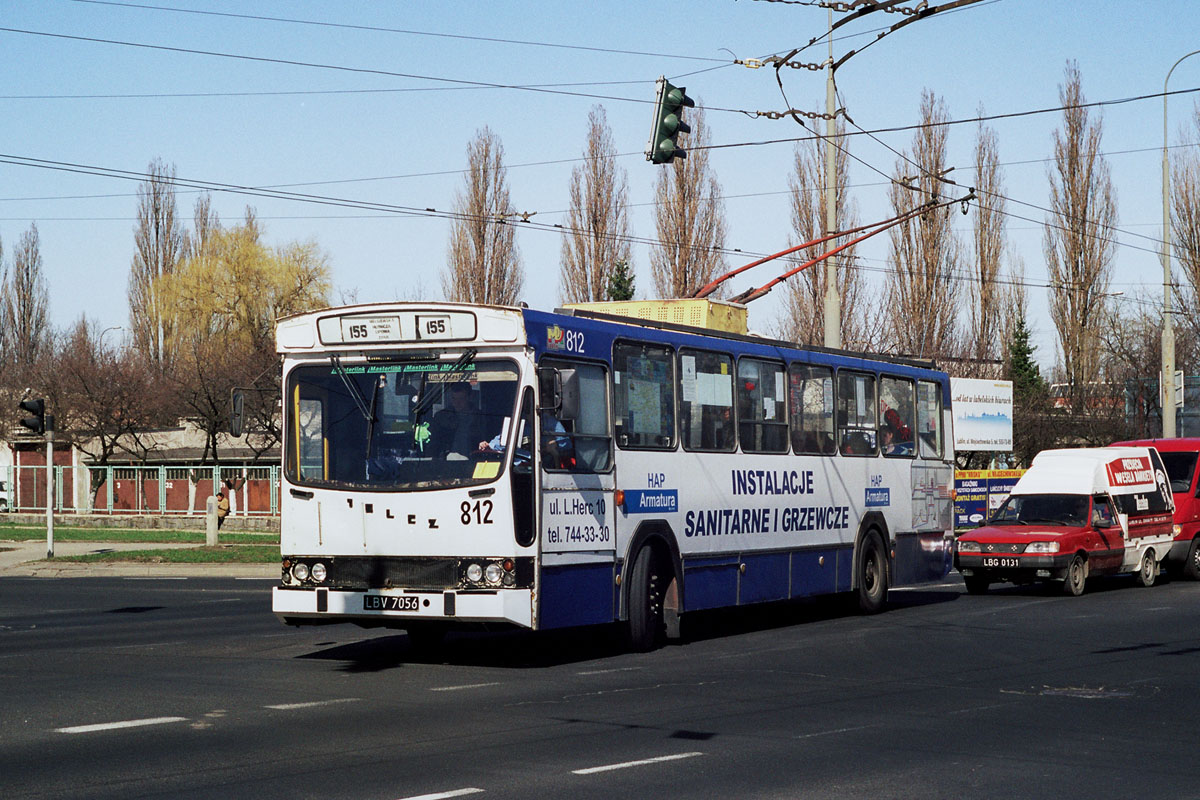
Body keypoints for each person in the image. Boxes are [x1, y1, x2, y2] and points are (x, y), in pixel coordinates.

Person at [430, 382, 485, 458]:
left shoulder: (481, 417)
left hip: (473, 462)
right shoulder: (441, 417)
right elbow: (434, 445)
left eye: (461, 399)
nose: (457, 403)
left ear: (469, 397)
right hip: (445, 463)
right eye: (454, 398)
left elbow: (486, 441)